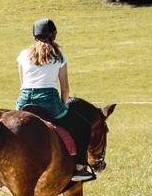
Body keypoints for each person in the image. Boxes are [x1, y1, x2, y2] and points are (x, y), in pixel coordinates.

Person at [14, 18, 96, 183]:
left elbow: (23, 83)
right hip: (49, 101)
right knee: (82, 127)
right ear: (54, 35)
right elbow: (65, 88)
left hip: (23, 100)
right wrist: (63, 106)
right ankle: (79, 168)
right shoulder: (59, 56)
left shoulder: (23, 55)